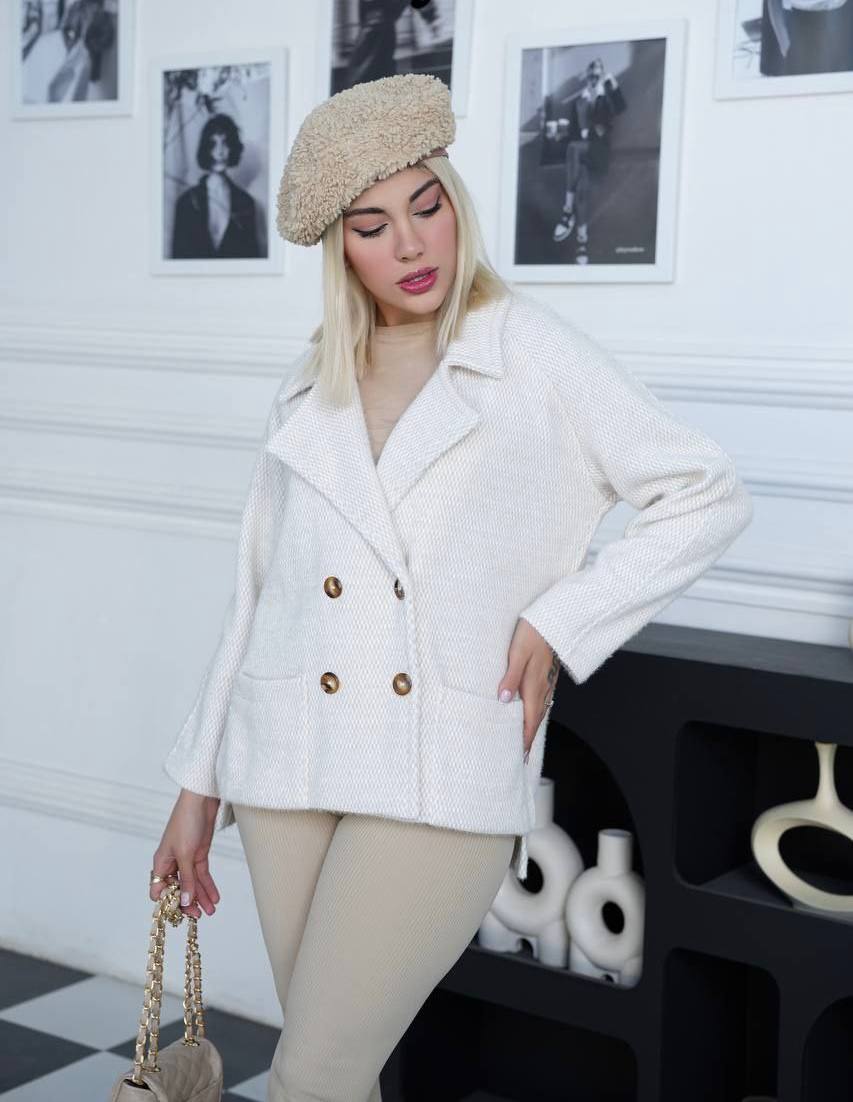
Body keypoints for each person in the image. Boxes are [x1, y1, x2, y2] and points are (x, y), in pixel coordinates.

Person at [150, 73, 753, 1100]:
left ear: (454, 201)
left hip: (441, 759)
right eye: (372, 226)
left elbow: (706, 491)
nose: (411, 245)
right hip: (287, 757)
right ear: (340, 248)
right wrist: (198, 787)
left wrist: (560, 620)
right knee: (335, 1070)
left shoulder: (528, 352)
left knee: (311, 1072)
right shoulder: (307, 382)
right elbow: (258, 594)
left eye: (426, 206)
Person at [551, 57, 627, 264]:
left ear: (601, 76)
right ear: (587, 76)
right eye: (591, 74)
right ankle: (582, 242)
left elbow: (621, 108)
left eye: (598, 75)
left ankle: (567, 211)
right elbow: (573, 133)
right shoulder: (579, 101)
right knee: (582, 189)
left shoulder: (606, 96)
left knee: (573, 149)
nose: (594, 78)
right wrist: (559, 135)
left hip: (598, 152)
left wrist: (613, 85)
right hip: (581, 156)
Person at [171, 112, 262, 260]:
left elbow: (253, 261)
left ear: (232, 147)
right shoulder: (186, 203)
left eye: (225, 143)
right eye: (213, 144)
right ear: (205, 149)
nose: (220, 152)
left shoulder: (246, 204)